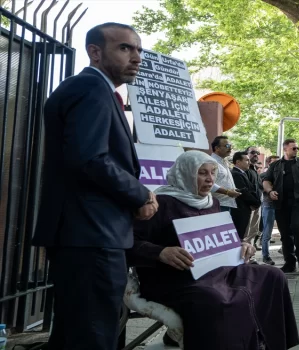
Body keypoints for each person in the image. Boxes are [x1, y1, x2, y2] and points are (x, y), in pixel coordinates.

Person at [31, 23, 158, 350]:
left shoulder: (92, 90)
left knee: (76, 333)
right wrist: (140, 193)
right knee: (93, 336)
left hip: (88, 235)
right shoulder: (91, 89)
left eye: (139, 50)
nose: (137, 57)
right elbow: (89, 159)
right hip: (91, 236)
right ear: (95, 52)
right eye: (125, 48)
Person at [127, 151, 299, 349]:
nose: (210, 179)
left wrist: (241, 245)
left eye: (213, 172)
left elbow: (221, 241)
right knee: (216, 298)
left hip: (218, 273)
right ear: (185, 174)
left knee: (273, 275)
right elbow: (129, 242)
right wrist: (161, 252)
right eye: (202, 173)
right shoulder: (161, 203)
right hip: (176, 279)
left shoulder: (212, 202)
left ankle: (268, 343)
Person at [263, 139, 299, 272]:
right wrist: (270, 191)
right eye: (293, 148)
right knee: (285, 233)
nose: (296, 150)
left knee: (296, 227)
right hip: (281, 203)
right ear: (285, 149)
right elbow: (266, 181)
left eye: (297, 148)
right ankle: (289, 262)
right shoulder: (275, 165)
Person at [230, 151, 262, 240]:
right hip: (240, 210)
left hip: (246, 209)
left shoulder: (243, 173)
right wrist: (256, 203)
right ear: (238, 162)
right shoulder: (236, 174)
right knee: (240, 236)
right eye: (247, 160)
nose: (249, 162)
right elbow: (244, 193)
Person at [210, 136, 242, 211]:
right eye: (227, 146)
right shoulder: (211, 162)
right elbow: (208, 183)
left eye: (230, 146)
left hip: (226, 203)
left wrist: (234, 190)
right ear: (217, 148)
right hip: (217, 204)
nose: (230, 148)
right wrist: (227, 192)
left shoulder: (223, 162)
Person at [261, 155, 280, 265]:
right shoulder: (264, 175)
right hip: (269, 206)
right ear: (269, 164)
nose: (277, 165)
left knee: (287, 231)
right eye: (274, 163)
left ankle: (287, 252)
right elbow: (261, 189)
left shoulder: (283, 175)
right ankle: (266, 256)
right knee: (267, 233)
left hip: (281, 206)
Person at [244, 146, 263, 248]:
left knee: (253, 231)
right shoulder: (245, 169)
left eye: (257, 153)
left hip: (257, 206)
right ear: (247, 153)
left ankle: (250, 256)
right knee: (246, 232)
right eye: (253, 152)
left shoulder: (255, 169)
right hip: (249, 206)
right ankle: (246, 257)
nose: (256, 155)